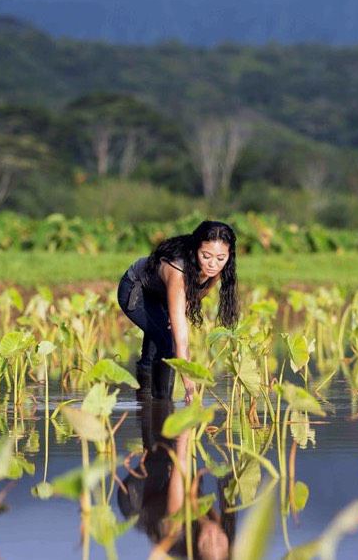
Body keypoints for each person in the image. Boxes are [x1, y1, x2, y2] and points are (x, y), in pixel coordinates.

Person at [117, 220, 238, 402]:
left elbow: (201, 288)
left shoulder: (217, 268)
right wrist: (190, 388)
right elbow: (181, 342)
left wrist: (187, 302)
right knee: (167, 343)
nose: (213, 263)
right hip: (135, 289)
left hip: (162, 294)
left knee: (157, 344)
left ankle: (146, 404)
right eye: (206, 256)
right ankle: (162, 404)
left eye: (221, 258)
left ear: (229, 255)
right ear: (195, 249)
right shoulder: (178, 272)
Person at [118, 394, 234, 560]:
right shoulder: (222, 525)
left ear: (197, 549)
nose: (212, 534)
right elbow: (192, 495)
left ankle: (150, 397)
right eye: (220, 542)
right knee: (192, 478)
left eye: (206, 543)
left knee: (165, 452)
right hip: (165, 494)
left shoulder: (177, 536)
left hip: (139, 501)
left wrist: (183, 437)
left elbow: (179, 460)